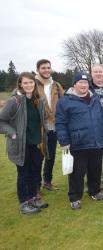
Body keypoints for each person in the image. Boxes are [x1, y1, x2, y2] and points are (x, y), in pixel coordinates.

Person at [55, 72, 103, 210]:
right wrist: (64, 140)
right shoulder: (65, 101)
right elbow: (60, 123)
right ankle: (75, 197)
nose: (83, 85)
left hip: (96, 141)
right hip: (78, 143)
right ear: (74, 85)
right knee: (77, 172)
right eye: (80, 83)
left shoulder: (94, 97)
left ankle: (95, 191)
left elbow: (102, 118)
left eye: (85, 83)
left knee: (95, 169)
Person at [0, 72, 49, 214]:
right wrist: (12, 133)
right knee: (23, 174)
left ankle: (33, 198)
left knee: (35, 172)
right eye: (25, 83)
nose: (28, 85)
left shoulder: (38, 100)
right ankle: (24, 204)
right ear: (20, 84)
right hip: (20, 145)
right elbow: (1, 121)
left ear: (35, 84)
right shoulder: (14, 101)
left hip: (36, 144)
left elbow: (42, 119)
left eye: (31, 82)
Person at [35, 59, 64, 192]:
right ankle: (35, 186)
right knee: (37, 157)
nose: (46, 70)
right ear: (38, 70)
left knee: (50, 156)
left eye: (48, 67)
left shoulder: (56, 85)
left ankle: (47, 181)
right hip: (38, 127)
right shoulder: (32, 84)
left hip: (54, 126)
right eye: (43, 68)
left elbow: (63, 102)